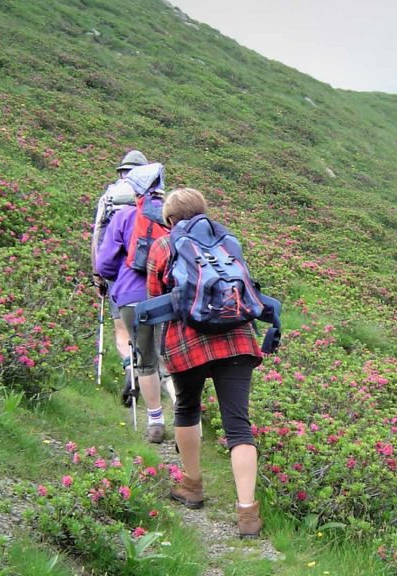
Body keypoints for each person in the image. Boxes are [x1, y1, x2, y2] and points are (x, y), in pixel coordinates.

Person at [146, 188, 264, 538]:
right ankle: (247, 515)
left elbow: (155, 298)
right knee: (239, 426)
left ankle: (192, 486)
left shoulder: (164, 245)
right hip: (238, 339)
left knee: (187, 408)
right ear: (203, 211)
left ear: (169, 220)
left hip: (187, 342)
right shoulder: (228, 241)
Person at [95, 162, 169, 443]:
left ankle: (155, 422)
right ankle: (190, 418)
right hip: (168, 295)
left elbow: (104, 263)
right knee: (171, 360)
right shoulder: (171, 216)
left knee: (145, 360)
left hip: (131, 296)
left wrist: (117, 282)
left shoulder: (124, 215)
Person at [92, 150, 147, 404]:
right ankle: (152, 382)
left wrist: (98, 275)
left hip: (118, 275)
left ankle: (129, 367)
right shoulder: (154, 200)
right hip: (151, 275)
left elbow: (98, 237)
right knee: (150, 331)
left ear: (121, 171)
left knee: (121, 328)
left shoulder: (110, 197)